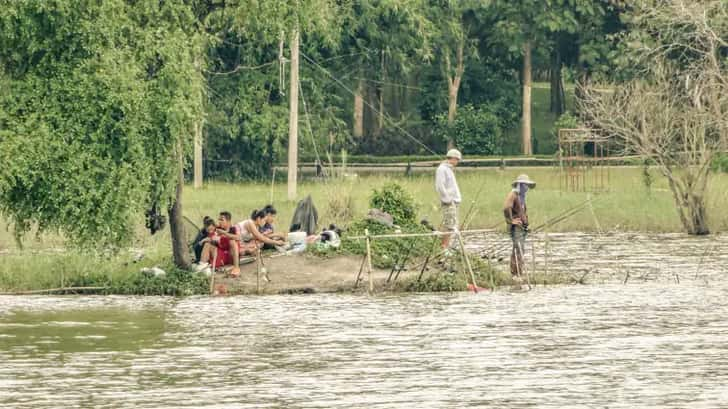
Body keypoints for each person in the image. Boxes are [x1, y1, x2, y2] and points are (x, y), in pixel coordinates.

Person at [503, 174, 536, 281]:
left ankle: (519, 273)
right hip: (515, 227)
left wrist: (527, 225)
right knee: (518, 249)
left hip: (522, 227)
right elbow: (506, 207)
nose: (526, 187)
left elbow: (522, 212)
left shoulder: (522, 197)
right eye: (525, 185)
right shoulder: (513, 194)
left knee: (520, 249)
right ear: (520, 185)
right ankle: (515, 274)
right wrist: (511, 221)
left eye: (527, 185)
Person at [195, 211, 241, 277]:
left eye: (222, 220)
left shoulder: (233, 229)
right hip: (220, 254)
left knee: (232, 241)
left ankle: (236, 268)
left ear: (228, 221)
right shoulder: (218, 229)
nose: (219, 221)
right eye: (219, 219)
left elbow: (238, 237)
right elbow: (211, 235)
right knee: (207, 244)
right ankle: (202, 266)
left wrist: (224, 233)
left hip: (230, 255)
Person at [435, 149, 462, 251]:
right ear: (453, 158)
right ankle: (444, 247)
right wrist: (448, 200)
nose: (457, 162)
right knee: (449, 225)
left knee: (452, 224)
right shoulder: (442, 169)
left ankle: (447, 246)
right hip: (449, 202)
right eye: (457, 160)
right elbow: (440, 186)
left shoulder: (449, 169)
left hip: (454, 202)